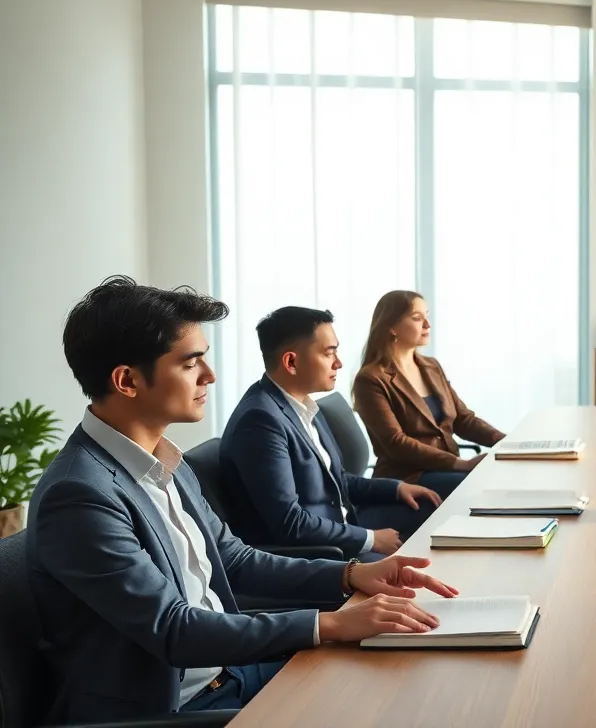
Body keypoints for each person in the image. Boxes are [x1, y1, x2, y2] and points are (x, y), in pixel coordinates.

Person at [27, 277, 457, 723]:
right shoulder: (79, 495)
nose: (209, 376)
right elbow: (173, 628)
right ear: (127, 380)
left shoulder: (164, 460)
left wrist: (352, 574)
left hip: (231, 672)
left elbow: (233, 559)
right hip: (174, 708)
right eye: (192, 363)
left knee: (397, 678)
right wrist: (328, 623)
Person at [219, 306, 442, 562]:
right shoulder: (260, 422)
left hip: (341, 527)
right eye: (329, 353)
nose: (339, 362)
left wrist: (396, 488)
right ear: (291, 362)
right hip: (316, 557)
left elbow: (334, 481)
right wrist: (370, 538)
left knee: (433, 510)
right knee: (418, 570)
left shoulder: (304, 405)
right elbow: (290, 523)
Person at [352, 290, 504, 499]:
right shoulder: (371, 379)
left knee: (502, 476)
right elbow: (396, 443)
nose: (427, 325)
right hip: (408, 476)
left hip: (447, 468)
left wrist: (505, 442)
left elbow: (463, 419)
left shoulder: (431, 366)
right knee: (486, 486)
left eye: (427, 316)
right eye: (417, 318)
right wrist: (461, 464)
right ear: (391, 327)